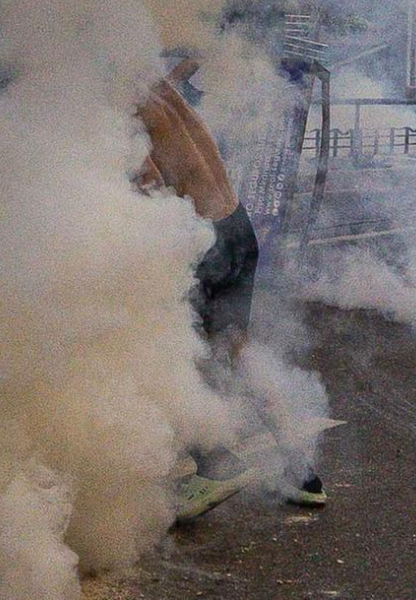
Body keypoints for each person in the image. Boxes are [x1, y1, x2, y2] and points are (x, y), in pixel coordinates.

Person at [138, 55, 326, 516]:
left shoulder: (118, 109)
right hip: (237, 228)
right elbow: (186, 68)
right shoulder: (157, 88)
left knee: (185, 355)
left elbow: (149, 181)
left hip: (204, 240)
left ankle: (215, 468)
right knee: (238, 351)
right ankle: (301, 472)